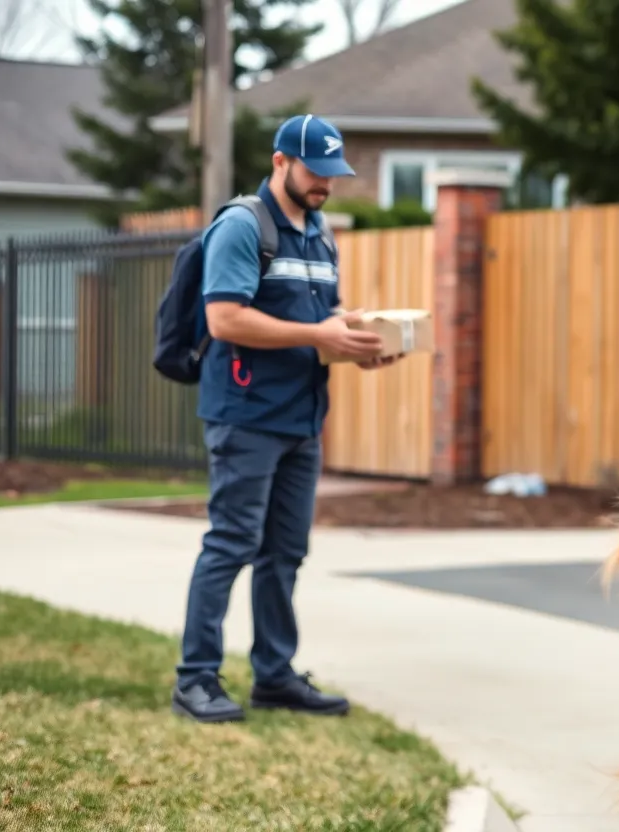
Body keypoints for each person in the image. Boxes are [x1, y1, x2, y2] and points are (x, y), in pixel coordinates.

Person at [171, 114, 400, 724]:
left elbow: (323, 322)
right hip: (245, 415)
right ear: (280, 162)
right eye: (315, 171)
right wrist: (317, 331)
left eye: (334, 173)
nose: (326, 183)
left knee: (285, 552)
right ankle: (195, 679)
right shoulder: (243, 227)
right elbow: (224, 319)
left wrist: (358, 344)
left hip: (302, 418)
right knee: (231, 544)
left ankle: (274, 676)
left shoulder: (320, 233)